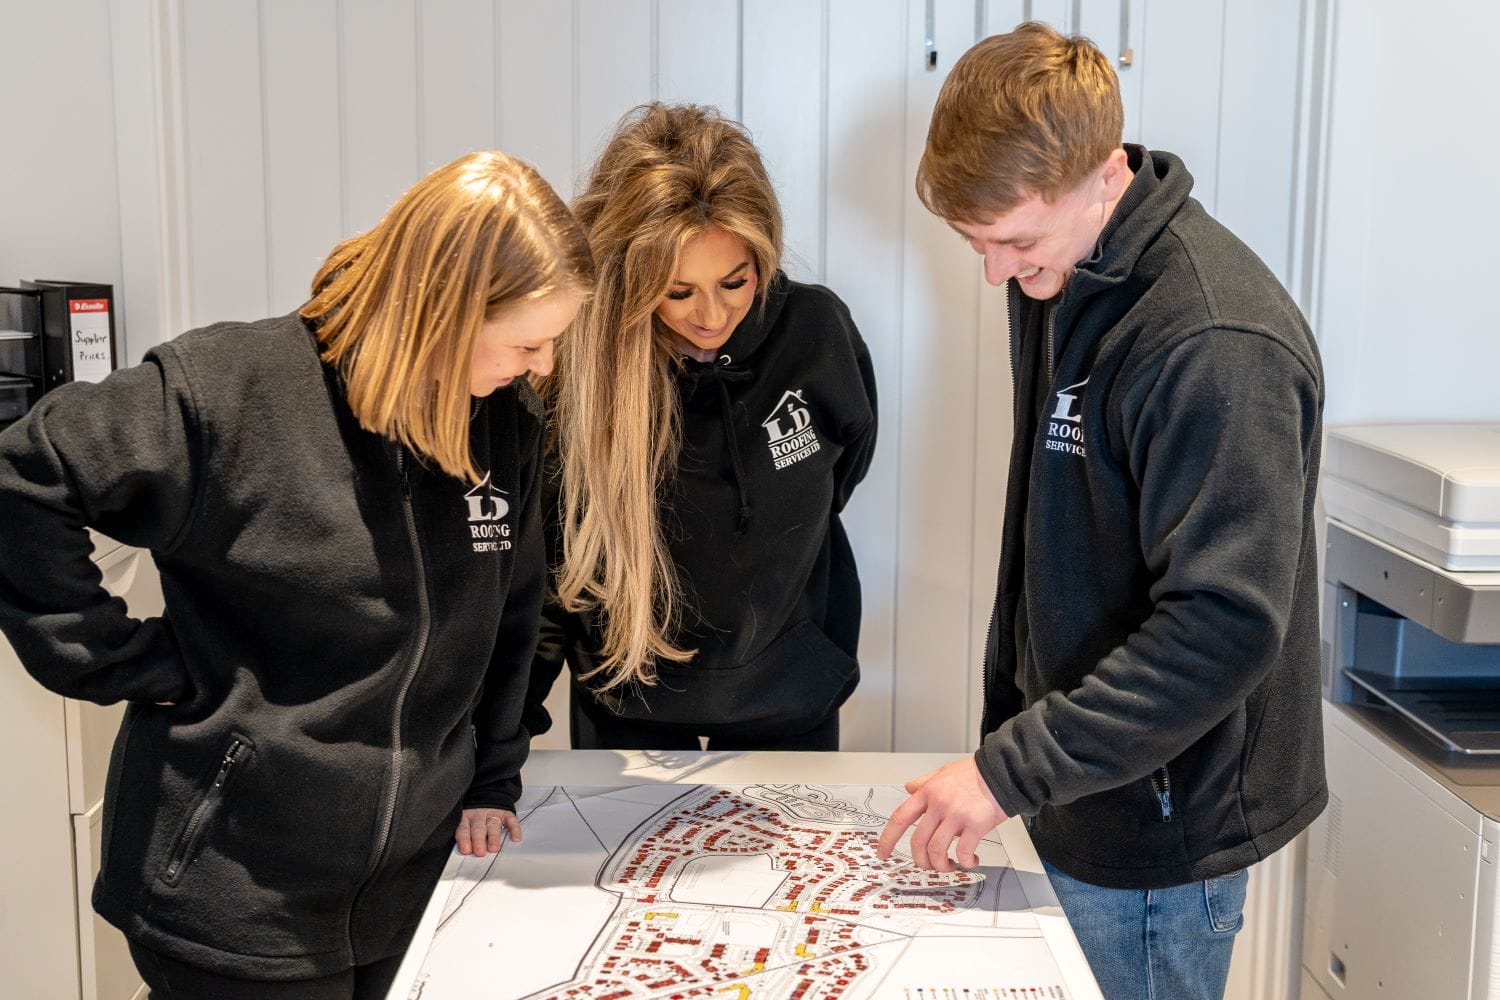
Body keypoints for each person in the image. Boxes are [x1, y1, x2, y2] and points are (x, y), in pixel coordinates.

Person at [0, 151, 593, 999]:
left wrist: (494, 775)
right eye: (528, 343)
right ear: (441, 311)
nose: (542, 366)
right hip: (234, 900)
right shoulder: (227, 391)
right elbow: (21, 480)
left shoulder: (505, 423)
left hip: (409, 891)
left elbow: (513, 615)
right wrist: (125, 663)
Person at [874, 22, 1326, 1000]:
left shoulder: (1215, 344)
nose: (996, 273)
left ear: (1105, 174)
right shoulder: (1072, 274)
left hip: (1160, 832)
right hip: (1080, 785)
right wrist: (1019, 759)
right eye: (977, 245)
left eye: (1015, 243)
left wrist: (1005, 772)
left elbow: (1222, 627)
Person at [524, 103, 877, 751]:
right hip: (630, 702)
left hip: (789, 695)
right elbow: (550, 557)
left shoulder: (817, 334)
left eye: (734, 282)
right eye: (678, 292)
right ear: (630, 281)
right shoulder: (578, 365)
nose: (711, 317)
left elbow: (841, 473)